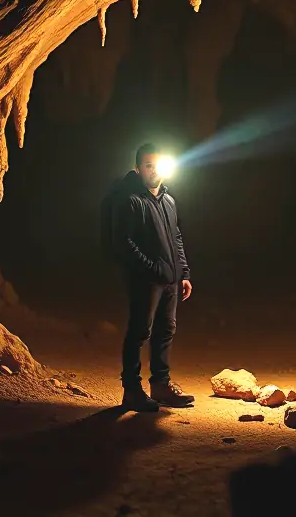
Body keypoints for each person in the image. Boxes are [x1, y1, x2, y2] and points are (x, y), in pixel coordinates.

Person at [108, 143, 195, 411]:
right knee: (139, 333)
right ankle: (131, 391)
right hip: (145, 280)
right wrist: (151, 269)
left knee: (165, 331)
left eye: (159, 164)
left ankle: (161, 386)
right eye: (149, 165)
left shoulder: (168, 201)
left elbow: (176, 238)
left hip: (170, 279)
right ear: (138, 169)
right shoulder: (129, 201)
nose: (155, 170)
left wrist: (183, 273)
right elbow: (124, 243)